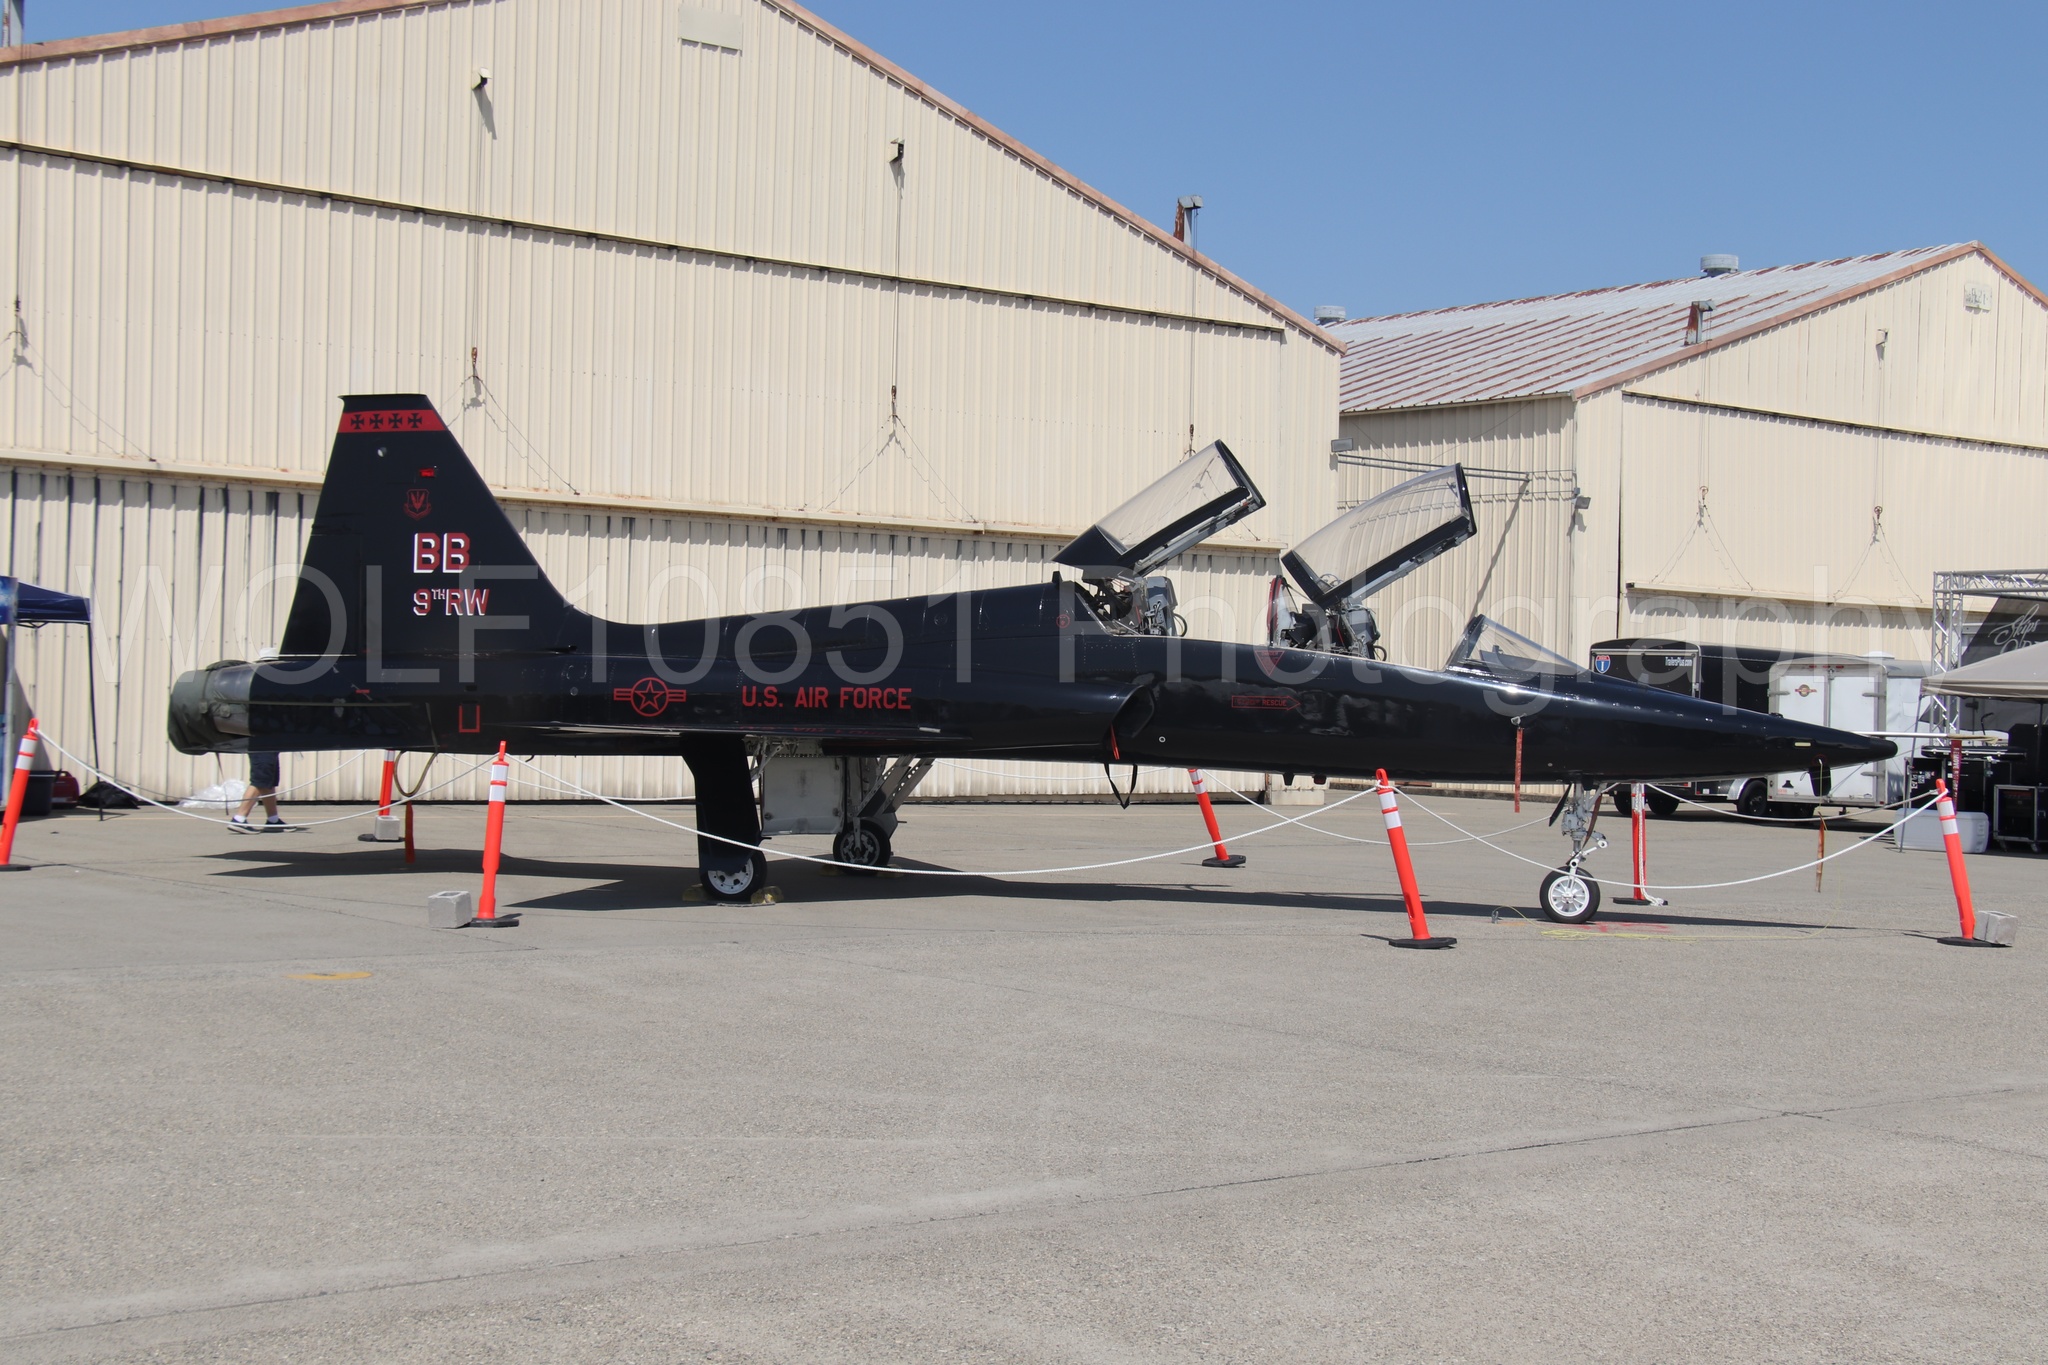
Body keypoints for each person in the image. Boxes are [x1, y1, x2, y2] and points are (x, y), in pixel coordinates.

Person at [230, 750, 287, 831]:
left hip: (272, 746)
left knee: (269, 780)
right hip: (262, 745)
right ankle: (239, 819)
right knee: (261, 779)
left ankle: (273, 820)